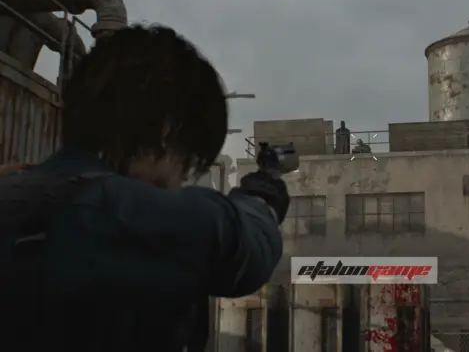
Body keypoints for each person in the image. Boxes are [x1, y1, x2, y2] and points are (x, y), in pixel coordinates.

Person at [0, 25, 289, 352]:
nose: (182, 179)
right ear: (167, 130)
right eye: (189, 160)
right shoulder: (134, 217)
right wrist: (262, 193)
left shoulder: (14, 192)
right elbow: (251, 245)